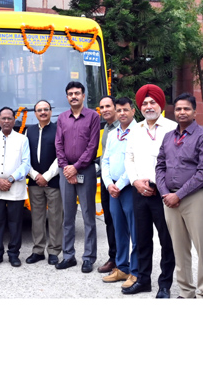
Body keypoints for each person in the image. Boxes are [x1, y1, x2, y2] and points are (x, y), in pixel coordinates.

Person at [156, 92, 203, 299]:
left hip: (195, 198)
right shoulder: (168, 137)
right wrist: (165, 193)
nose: (182, 112)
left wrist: (179, 195)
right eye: (179, 109)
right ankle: (186, 292)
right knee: (179, 248)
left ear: (194, 112)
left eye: (186, 109)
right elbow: (160, 166)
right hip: (169, 200)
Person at [124, 84, 177, 297]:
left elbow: (175, 162)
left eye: (152, 102)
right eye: (144, 103)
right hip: (139, 191)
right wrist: (136, 181)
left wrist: (157, 184)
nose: (148, 106)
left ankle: (165, 284)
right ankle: (143, 280)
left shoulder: (172, 128)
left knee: (167, 240)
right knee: (142, 239)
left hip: (162, 193)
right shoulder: (135, 129)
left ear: (160, 104)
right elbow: (129, 158)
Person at [55, 81, 101, 273]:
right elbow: (58, 144)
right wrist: (67, 168)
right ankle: (68, 256)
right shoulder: (62, 118)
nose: (74, 96)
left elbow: (93, 146)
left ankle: (88, 258)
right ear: (67, 97)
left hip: (86, 171)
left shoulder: (93, 116)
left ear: (83, 96)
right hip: (65, 172)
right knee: (68, 216)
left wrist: (76, 167)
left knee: (89, 216)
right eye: (70, 94)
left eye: (77, 93)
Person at [0, 107, 31, 267]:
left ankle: (14, 254)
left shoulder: (22, 139)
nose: (6, 121)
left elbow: (26, 163)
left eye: (9, 118)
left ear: (14, 121)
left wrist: (10, 179)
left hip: (15, 187)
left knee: (15, 223)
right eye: (3, 118)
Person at [100, 97, 138, 289]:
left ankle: (136, 270)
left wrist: (120, 184)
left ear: (133, 111)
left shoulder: (139, 132)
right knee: (119, 229)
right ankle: (122, 267)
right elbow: (105, 159)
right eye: (119, 110)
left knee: (135, 230)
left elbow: (135, 162)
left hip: (130, 187)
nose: (122, 113)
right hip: (113, 189)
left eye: (125, 109)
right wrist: (108, 184)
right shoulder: (113, 133)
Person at [25, 100, 63, 265]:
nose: (42, 112)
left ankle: (54, 251)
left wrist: (46, 176)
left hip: (53, 181)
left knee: (55, 218)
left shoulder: (58, 130)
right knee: (37, 217)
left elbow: (61, 156)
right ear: (35, 113)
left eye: (45, 109)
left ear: (50, 111)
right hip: (34, 182)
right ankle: (38, 250)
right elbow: (25, 157)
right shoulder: (29, 131)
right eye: (39, 110)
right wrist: (35, 176)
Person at [97, 95, 118, 274]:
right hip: (106, 181)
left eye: (108, 106)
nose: (104, 110)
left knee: (122, 222)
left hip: (120, 183)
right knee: (109, 220)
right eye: (102, 107)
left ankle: (124, 261)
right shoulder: (106, 128)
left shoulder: (123, 128)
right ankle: (114, 258)